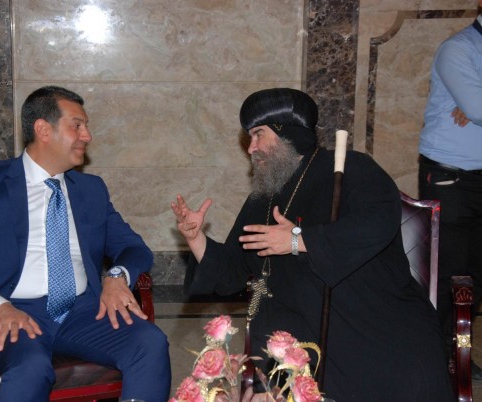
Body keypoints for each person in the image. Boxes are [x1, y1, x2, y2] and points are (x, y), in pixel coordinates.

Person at [172, 88, 454, 401]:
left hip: (376, 324)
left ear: (287, 132)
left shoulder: (352, 169)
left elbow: (377, 223)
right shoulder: (262, 198)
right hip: (299, 337)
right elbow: (231, 271)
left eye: (258, 135)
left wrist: (299, 239)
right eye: (249, 138)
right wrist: (195, 237)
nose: (251, 148)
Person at [0, 86, 171, 401]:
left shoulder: (91, 190)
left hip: (83, 311)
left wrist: (117, 276)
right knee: (31, 366)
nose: (87, 136)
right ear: (43, 130)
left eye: (86, 126)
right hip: (11, 310)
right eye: (77, 125)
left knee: (149, 342)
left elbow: (133, 248)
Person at [418, 1, 482, 380]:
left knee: (476, 275)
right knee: (448, 276)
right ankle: (436, 359)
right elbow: (476, 107)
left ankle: (460, 353)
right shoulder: (458, 49)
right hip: (451, 178)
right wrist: (473, 103)